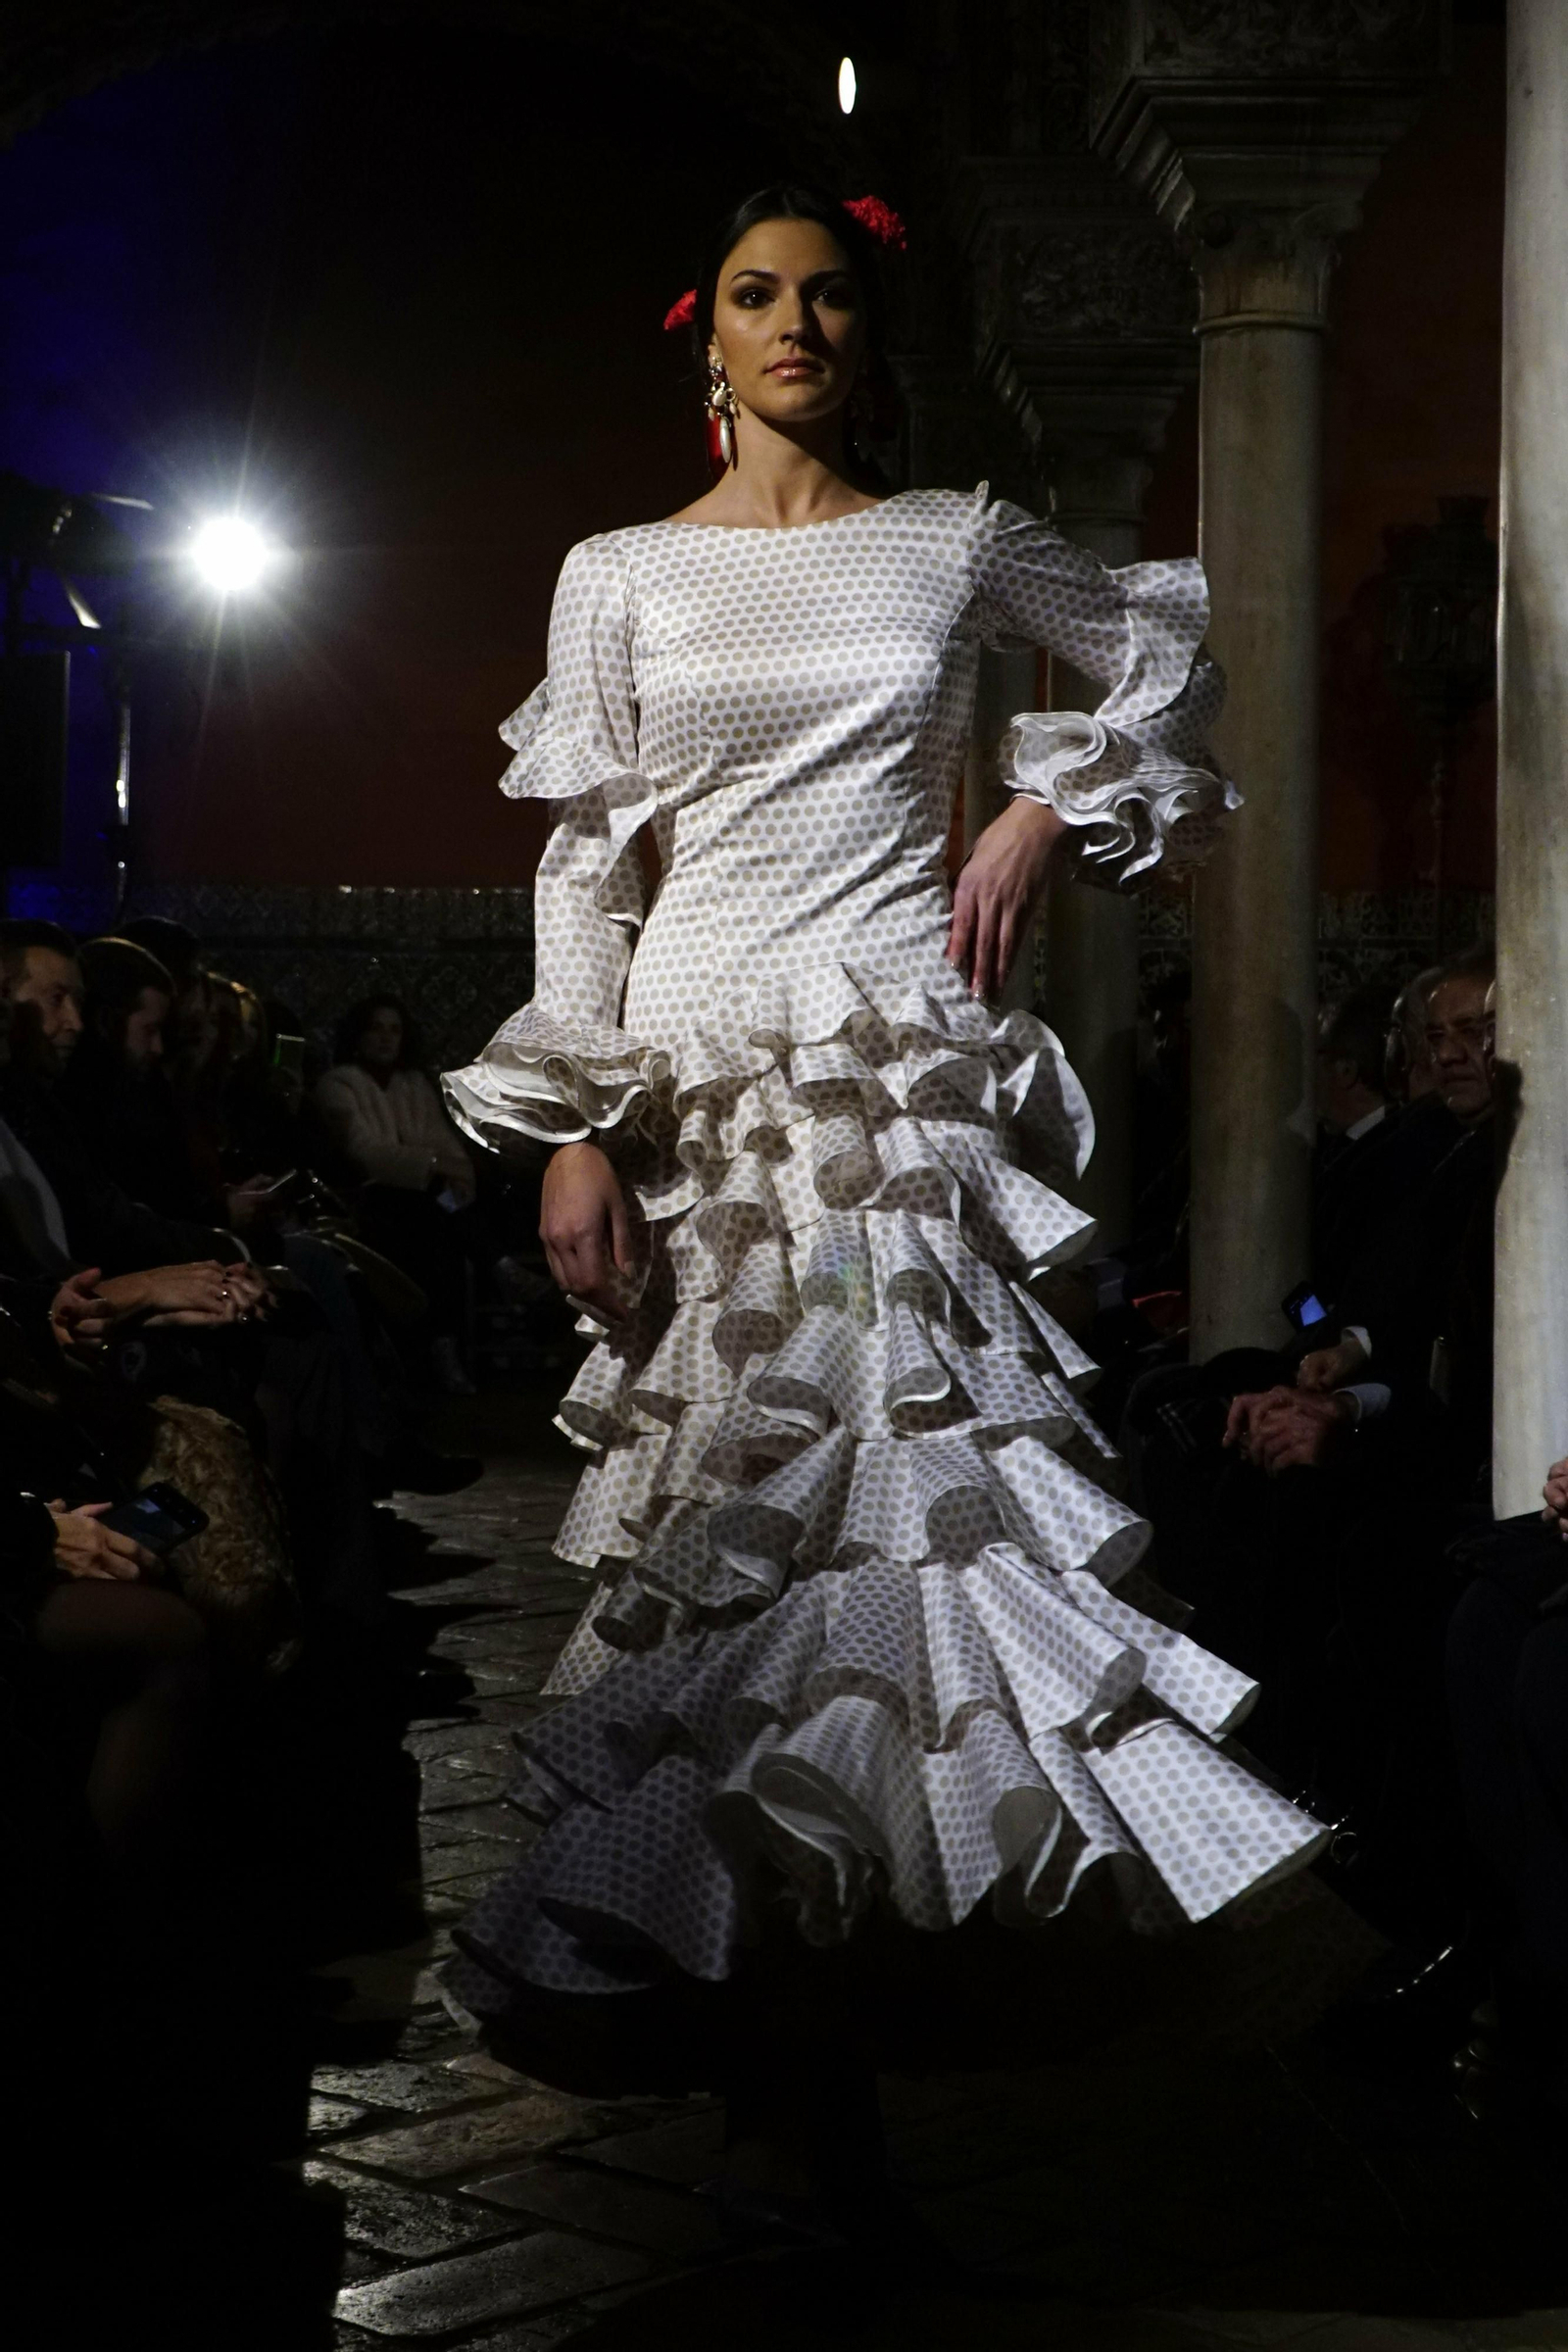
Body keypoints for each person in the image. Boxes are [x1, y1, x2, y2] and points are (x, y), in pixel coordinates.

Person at [435, 181, 1328, 2231]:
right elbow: (585, 859)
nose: (796, 325)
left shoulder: (955, 535)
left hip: (887, 1088)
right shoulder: (615, 575)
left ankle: (867, 2012)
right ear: (707, 341)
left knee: (903, 1534)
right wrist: (573, 1122)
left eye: (828, 297)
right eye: (758, 297)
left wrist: (1028, 805)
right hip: (686, 1082)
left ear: (866, 328)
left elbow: (1160, 654)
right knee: (718, 1561)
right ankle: (767, 2046)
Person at [316, 996, 480, 1394]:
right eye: (376, 1028)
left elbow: (451, 1152)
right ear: (358, 1034)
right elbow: (366, 1153)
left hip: (425, 1202)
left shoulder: (413, 1086)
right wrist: (434, 1165)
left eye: (394, 1029)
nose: (386, 1038)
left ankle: (446, 1341)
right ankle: (496, 1268)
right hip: (373, 1204)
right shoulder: (338, 1085)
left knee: (443, 1214)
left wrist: (440, 1168)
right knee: (436, 1215)